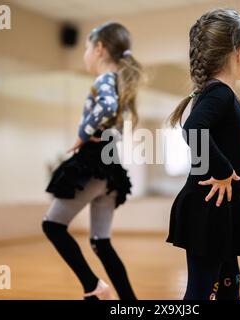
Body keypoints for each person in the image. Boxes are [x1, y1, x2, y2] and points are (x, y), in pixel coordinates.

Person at [43, 22, 142, 300]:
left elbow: (107, 108)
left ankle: (93, 287)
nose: (85, 53)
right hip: (110, 169)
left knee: (52, 225)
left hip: (93, 164)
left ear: (98, 49)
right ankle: (130, 303)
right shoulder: (120, 83)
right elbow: (117, 125)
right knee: (101, 242)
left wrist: (81, 135)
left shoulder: (104, 80)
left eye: (87, 47)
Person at [166, 8, 240, 300]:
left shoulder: (215, 92)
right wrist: (222, 170)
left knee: (228, 285)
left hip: (219, 210)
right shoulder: (219, 93)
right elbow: (193, 129)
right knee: (201, 291)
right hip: (208, 209)